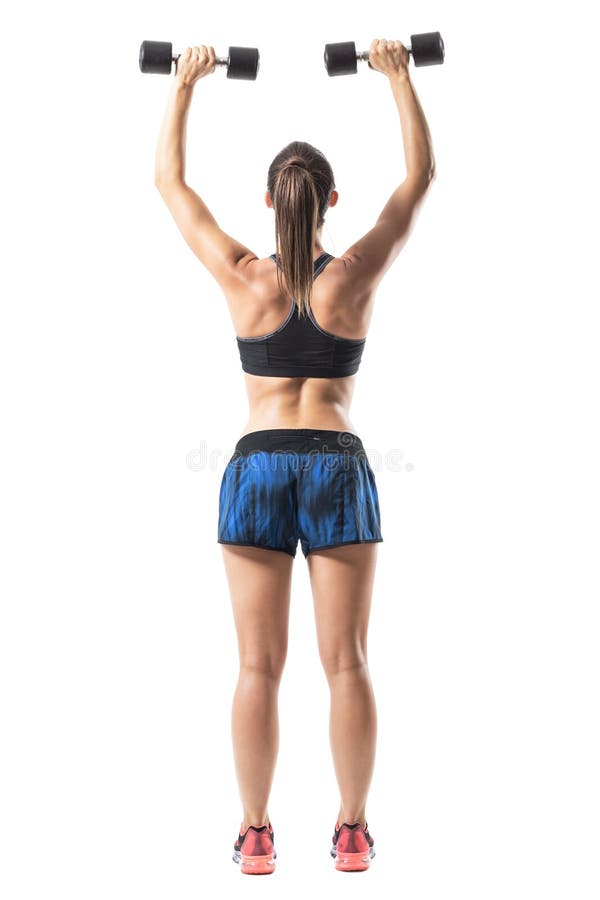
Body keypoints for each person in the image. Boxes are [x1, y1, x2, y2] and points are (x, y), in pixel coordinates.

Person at [154, 37, 436, 874]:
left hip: (256, 466)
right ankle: (351, 831)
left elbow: (170, 185)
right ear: (332, 200)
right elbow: (418, 182)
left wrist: (185, 83)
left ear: (268, 200)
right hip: (337, 464)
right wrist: (398, 77)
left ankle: (255, 833)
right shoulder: (352, 276)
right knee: (346, 659)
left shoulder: (245, 277)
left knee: (256, 665)